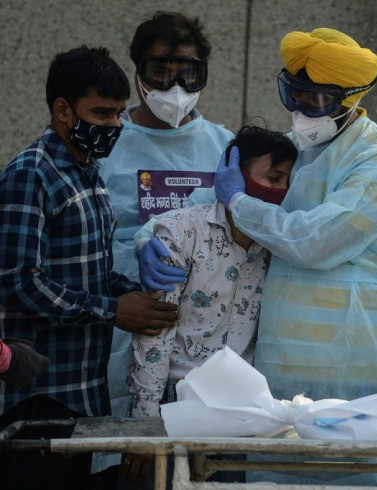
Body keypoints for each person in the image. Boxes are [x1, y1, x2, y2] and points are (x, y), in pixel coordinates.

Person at [142, 26, 377, 487]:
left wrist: (239, 203)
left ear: (351, 99)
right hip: (281, 362)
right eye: (295, 94)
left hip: (357, 353)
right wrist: (149, 236)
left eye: (318, 100)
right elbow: (198, 210)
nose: (302, 110)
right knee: (281, 474)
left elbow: (314, 241)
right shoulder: (304, 153)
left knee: (357, 470)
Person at [0, 46, 178, 490]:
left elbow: (92, 272)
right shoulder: (31, 174)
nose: (115, 125)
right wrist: (114, 310)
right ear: (63, 110)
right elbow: (18, 283)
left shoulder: (89, 171)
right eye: (101, 113)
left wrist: (144, 294)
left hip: (83, 391)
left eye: (119, 113)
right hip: (38, 394)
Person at [96, 10, 233, 483]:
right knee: (124, 456)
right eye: (160, 69)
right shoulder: (107, 143)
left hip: (205, 333)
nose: (175, 84)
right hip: (124, 324)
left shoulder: (226, 147)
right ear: (137, 73)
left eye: (188, 71)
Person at [121, 125, 296, 489]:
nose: (280, 191)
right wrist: (145, 429)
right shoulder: (181, 233)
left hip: (241, 415)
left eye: (288, 182)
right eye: (273, 177)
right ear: (237, 177)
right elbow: (154, 336)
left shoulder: (283, 248)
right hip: (176, 408)